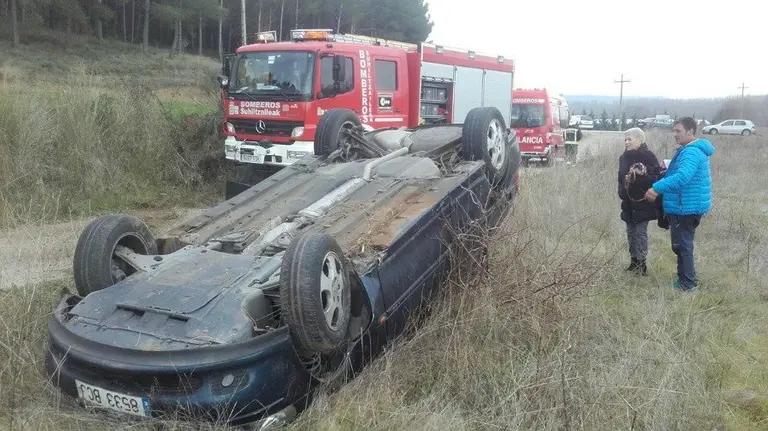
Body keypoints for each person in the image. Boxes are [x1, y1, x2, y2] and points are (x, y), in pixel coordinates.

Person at [645, 116, 715, 292]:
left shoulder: (691, 152)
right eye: (674, 130)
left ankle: (687, 284)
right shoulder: (689, 150)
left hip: (685, 207)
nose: (674, 134)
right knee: (682, 245)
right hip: (687, 205)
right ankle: (684, 279)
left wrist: (657, 188)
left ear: (690, 131)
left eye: (678, 131)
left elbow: (683, 176)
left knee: (682, 246)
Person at [618, 127, 662, 275]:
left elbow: (656, 178)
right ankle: (633, 262)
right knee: (630, 233)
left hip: (643, 203)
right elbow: (620, 178)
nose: (626, 142)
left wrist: (640, 176)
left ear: (639, 140)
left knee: (640, 233)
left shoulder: (648, 156)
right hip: (628, 203)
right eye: (625, 139)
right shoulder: (623, 157)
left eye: (629, 139)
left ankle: (642, 266)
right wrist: (623, 190)